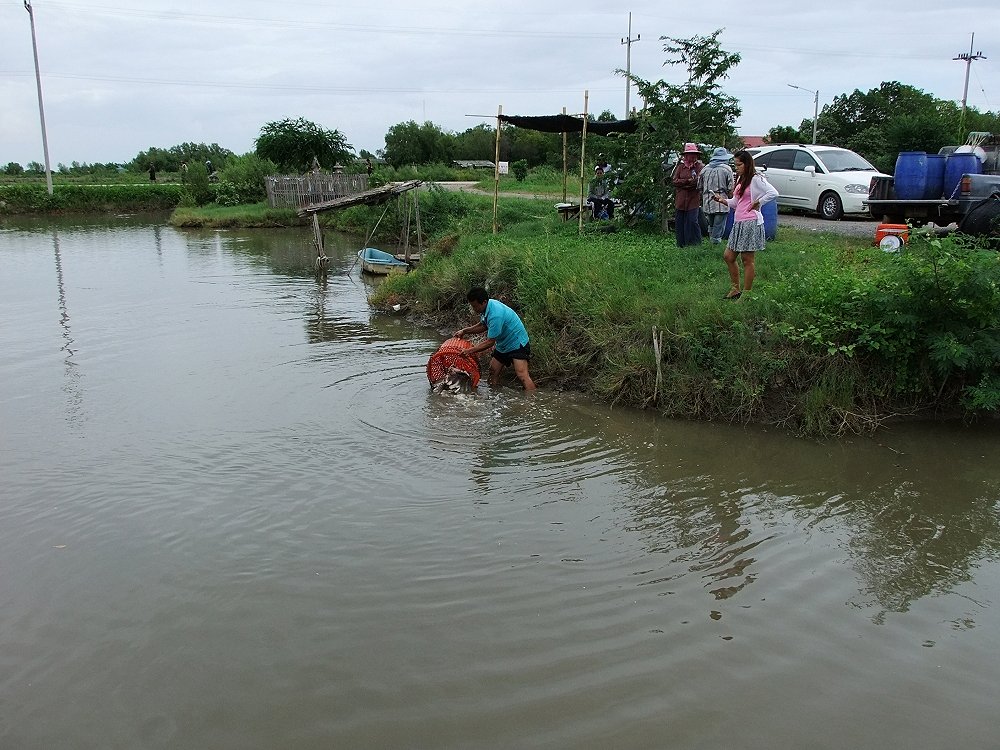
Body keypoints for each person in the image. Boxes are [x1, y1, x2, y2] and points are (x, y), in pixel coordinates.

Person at [710, 149, 778, 299]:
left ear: (747, 164)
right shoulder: (741, 180)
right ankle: (735, 289)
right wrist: (722, 200)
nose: (736, 167)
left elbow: (773, 193)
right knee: (728, 256)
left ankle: (746, 294)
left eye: (739, 164)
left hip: (750, 222)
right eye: (735, 164)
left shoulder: (756, 179)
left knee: (747, 260)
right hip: (739, 222)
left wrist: (759, 202)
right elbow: (736, 202)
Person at [454, 287, 536, 391]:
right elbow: (483, 325)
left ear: (483, 302)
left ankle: (533, 401)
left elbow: (490, 342)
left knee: (522, 375)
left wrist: (469, 351)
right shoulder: (488, 305)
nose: (474, 309)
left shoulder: (495, 315)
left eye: (475, 306)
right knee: (493, 371)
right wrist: (464, 331)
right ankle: (494, 395)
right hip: (503, 344)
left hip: (517, 343)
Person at [698, 147, 735, 245]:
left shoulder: (705, 169)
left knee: (711, 224)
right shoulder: (727, 169)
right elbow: (731, 187)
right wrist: (731, 200)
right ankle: (715, 244)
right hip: (722, 202)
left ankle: (712, 242)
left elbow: (699, 186)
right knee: (719, 225)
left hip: (707, 201)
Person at [672, 142, 704, 246]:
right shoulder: (681, 167)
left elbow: (697, 182)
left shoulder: (699, 167)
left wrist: (685, 183)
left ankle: (695, 244)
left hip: (693, 199)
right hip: (681, 200)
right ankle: (681, 244)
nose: (693, 156)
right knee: (680, 222)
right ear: (686, 155)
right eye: (690, 154)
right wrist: (686, 181)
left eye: (694, 154)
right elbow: (675, 181)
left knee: (692, 221)